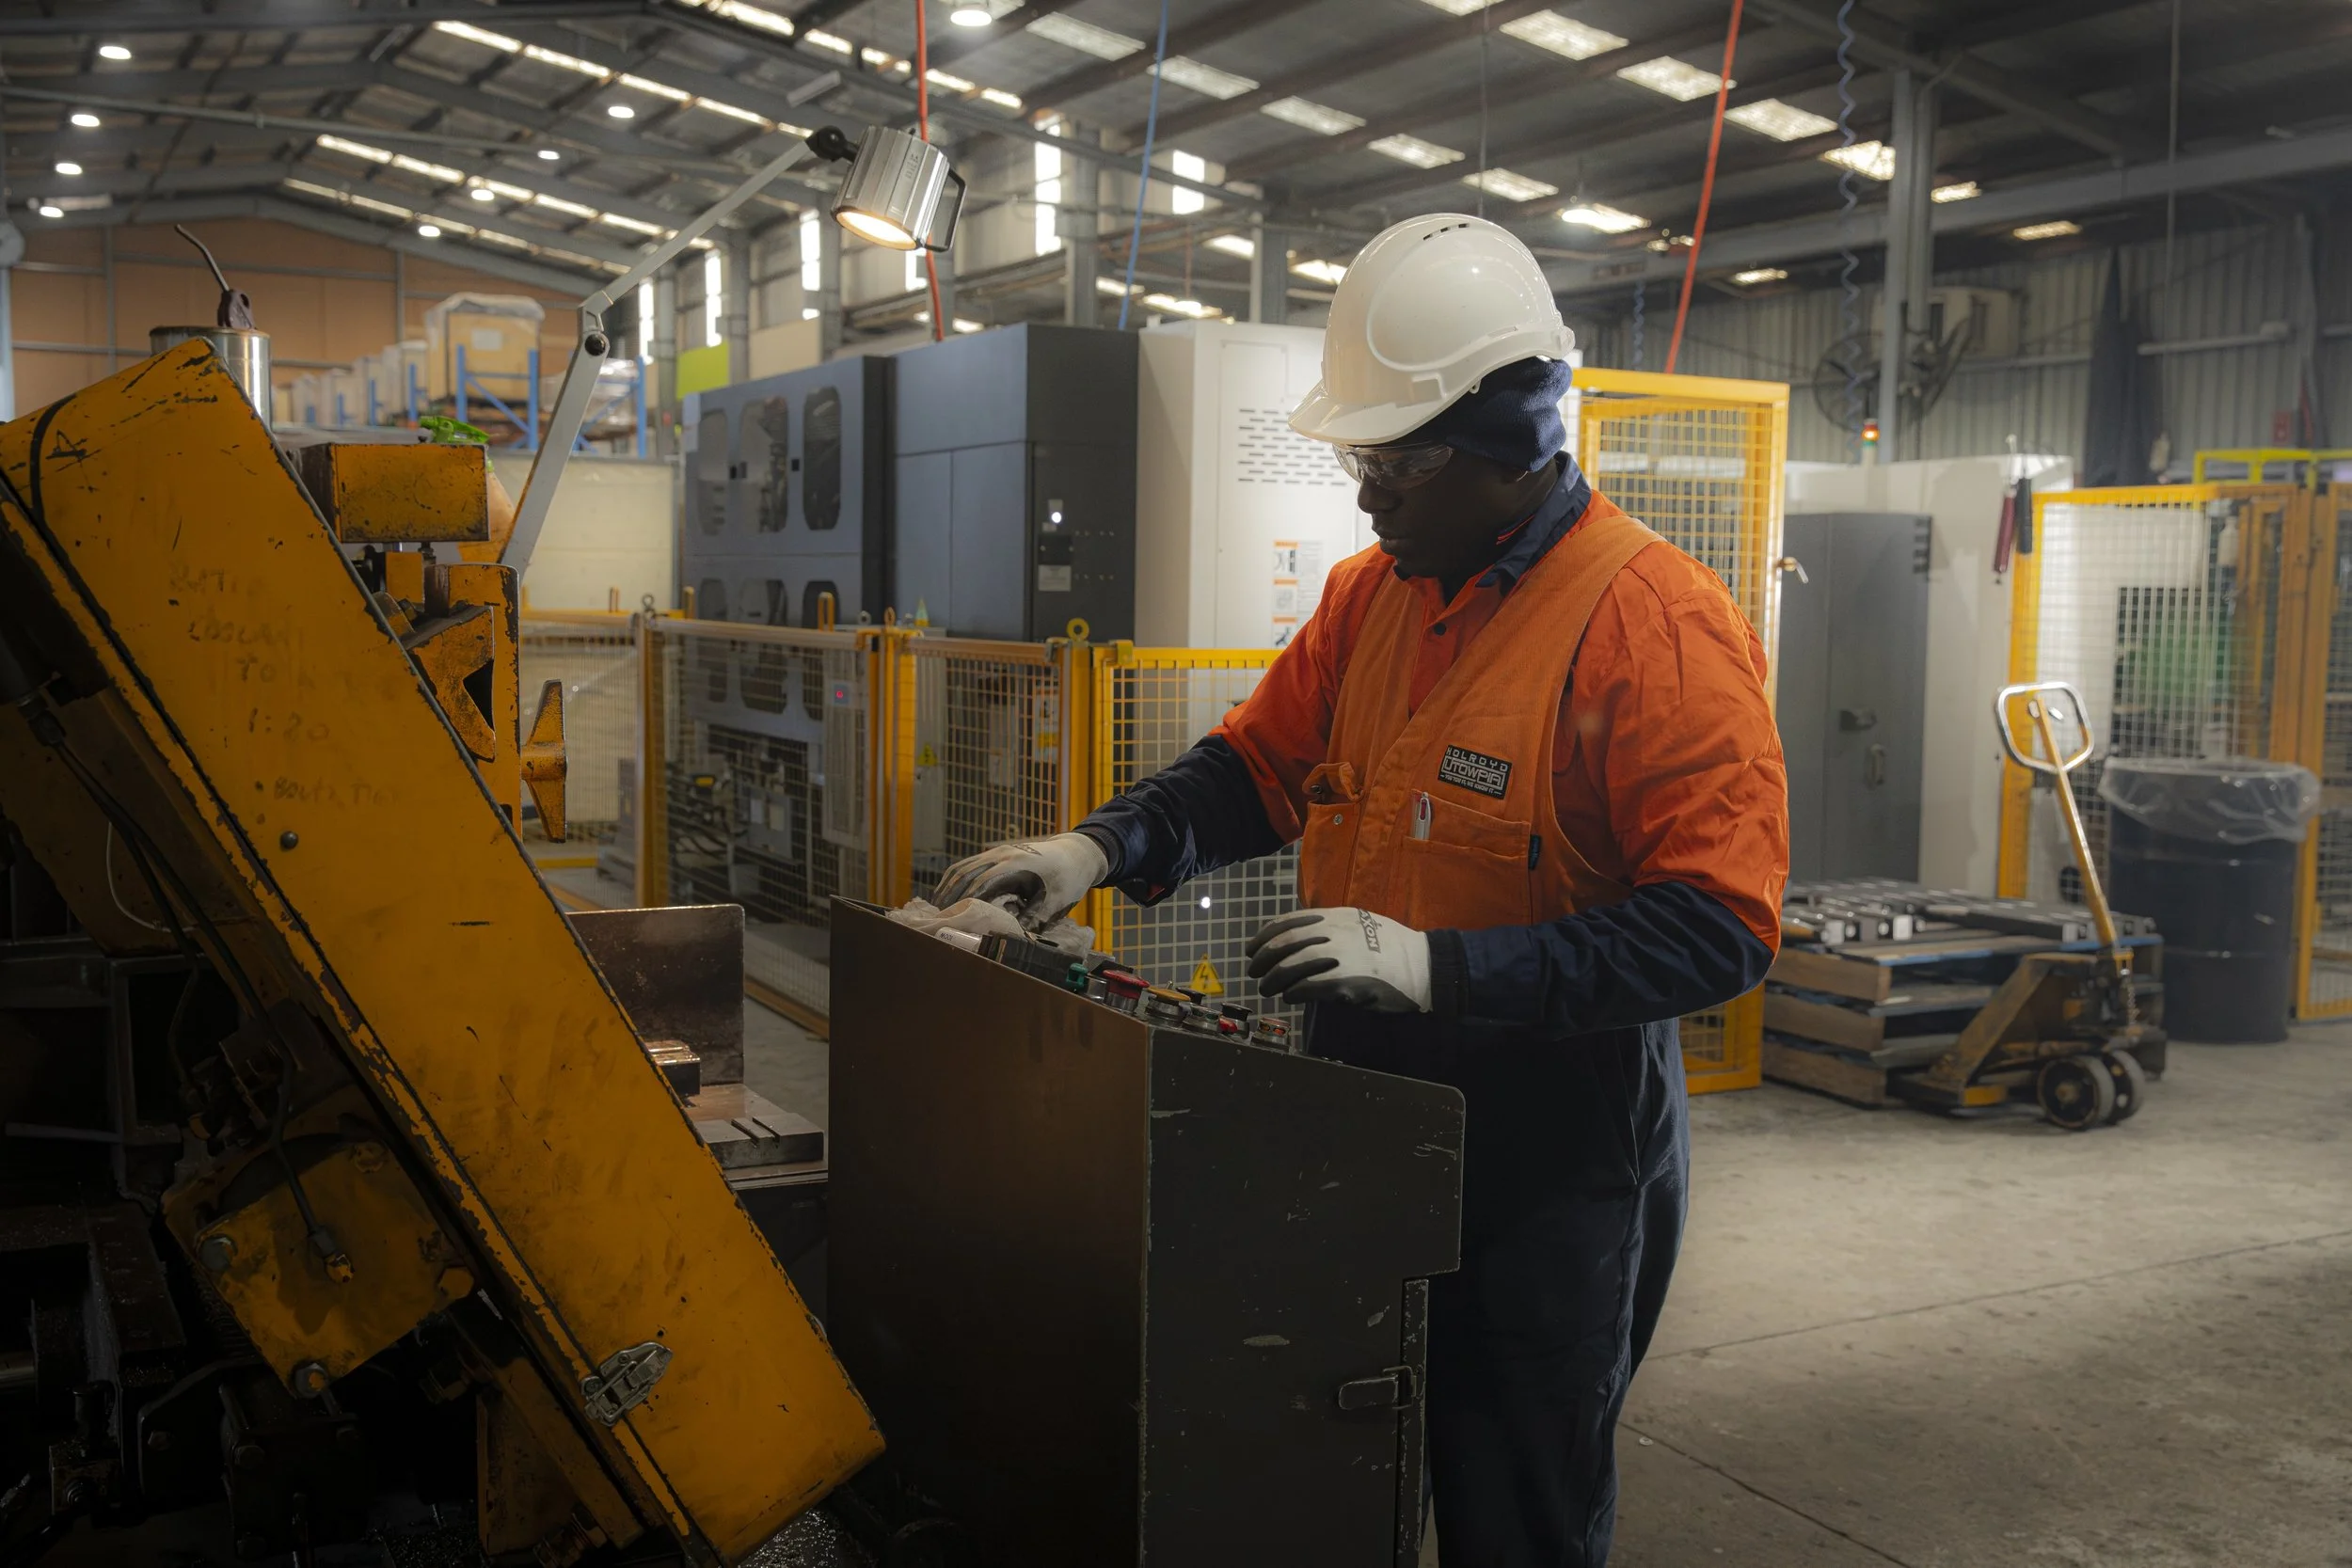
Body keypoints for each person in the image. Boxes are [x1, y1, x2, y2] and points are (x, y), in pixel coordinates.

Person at [936, 214, 1788, 1567]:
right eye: (1359, 460)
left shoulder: (1654, 623)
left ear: (1506, 448)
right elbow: (1254, 769)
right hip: (1358, 1109)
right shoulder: (1371, 596)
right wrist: (1097, 849)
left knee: (1514, 1498)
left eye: (1394, 463)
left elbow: (1718, 924)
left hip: (1547, 1151)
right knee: (1340, 1462)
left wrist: (1442, 968)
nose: (1366, 497)